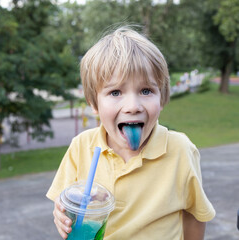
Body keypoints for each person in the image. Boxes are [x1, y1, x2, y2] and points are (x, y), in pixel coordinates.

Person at [46, 26, 215, 239]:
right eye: (115, 92)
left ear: (161, 98)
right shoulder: (82, 147)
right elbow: (63, 204)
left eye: (146, 91)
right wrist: (60, 216)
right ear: (94, 104)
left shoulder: (179, 150)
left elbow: (195, 214)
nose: (132, 106)